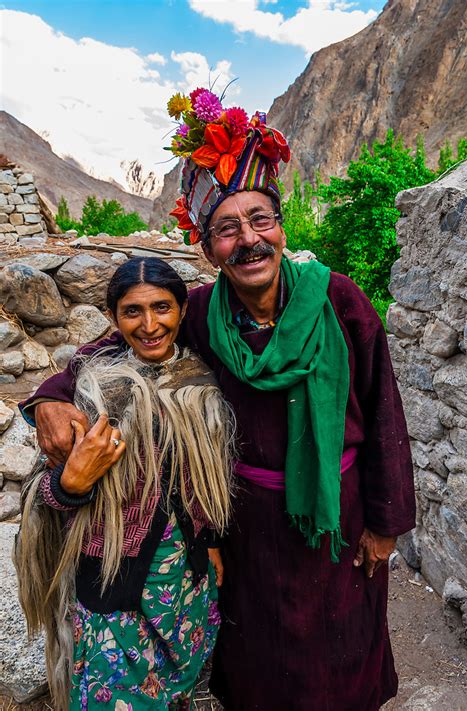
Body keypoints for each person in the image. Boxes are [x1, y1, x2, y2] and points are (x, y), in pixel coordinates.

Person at [21, 89, 416, 710]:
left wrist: (387, 525)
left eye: (262, 220)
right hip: (247, 523)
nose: (249, 240)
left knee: (342, 649)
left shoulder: (341, 302)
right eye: (228, 229)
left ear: (281, 227)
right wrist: (48, 396)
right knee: (258, 654)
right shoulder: (202, 314)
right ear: (207, 248)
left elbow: (385, 413)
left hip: (336, 517)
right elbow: (116, 344)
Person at [15, 257, 235, 711]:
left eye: (162, 308)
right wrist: (72, 484)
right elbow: (45, 491)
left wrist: (211, 541)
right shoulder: (93, 388)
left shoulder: (204, 381)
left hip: (185, 580)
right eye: (133, 311)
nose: (150, 324)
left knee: (179, 683)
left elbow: (207, 483)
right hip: (113, 580)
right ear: (113, 318)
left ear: (182, 311)